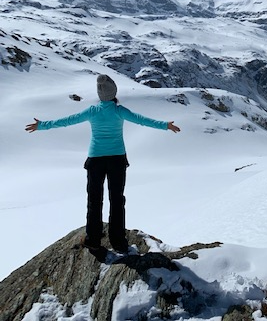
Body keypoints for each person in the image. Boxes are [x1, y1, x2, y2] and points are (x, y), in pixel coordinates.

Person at [25, 74, 180, 255]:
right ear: (114, 92)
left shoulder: (92, 111)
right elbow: (142, 120)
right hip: (117, 160)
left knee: (94, 201)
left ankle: (93, 239)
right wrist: (165, 125)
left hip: (95, 160)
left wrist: (42, 125)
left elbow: (67, 121)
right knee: (116, 200)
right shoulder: (119, 110)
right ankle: (119, 242)